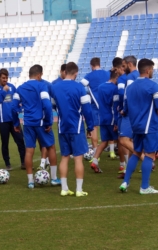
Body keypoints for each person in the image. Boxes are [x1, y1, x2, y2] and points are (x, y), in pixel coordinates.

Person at [119, 58, 158, 194]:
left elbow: (125, 109)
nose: (153, 72)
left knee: (136, 153)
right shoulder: (153, 85)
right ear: (148, 70)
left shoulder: (129, 87)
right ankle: (144, 187)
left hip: (135, 126)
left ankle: (125, 182)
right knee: (149, 155)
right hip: (149, 126)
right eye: (152, 69)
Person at [12, 65, 60, 189]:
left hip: (27, 123)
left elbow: (13, 107)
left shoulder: (20, 88)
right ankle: (54, 178)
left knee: (29, 151)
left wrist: (16, 123)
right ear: (39, 75)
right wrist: (48, 122)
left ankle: (30, 181)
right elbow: (47, 105)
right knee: (51, 148)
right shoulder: (41, 86)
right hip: (41, 123)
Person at [52, 62, 94, 197]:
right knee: (78, 159)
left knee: (64, 157)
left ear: (65, 71)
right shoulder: (80, 88)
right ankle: (79, 190)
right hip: (76, 126)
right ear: (75, 73)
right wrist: (91, 126)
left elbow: (53, 105)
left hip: (62, 126)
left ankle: (64, 188)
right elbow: (87, 109)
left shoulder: (55, 87)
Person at [0, 68, 25, 171]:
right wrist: (4, 92)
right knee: (5, 143)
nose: (5, 80)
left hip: (14, 120)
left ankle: (23, 162)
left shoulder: (12, 87)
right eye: (3, 78)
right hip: (3, 120)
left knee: (20, 141)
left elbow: (16, 101)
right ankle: (7, 163)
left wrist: (19, 109)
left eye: (6, 78)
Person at [90, 69, 120, 173]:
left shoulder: (101, 87)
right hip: (111, 118)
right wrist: (116, 122)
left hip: (102, 118)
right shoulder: (115, 89)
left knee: (104, 141)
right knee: (120, 141)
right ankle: (123, 165)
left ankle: (95, 161)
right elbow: (115, 105)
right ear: (116, 77)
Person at [80, 57, 110, 158]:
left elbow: (80, 86)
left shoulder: (89, 76)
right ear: (99, 64)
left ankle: (96, 152)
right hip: (107, 104)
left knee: (94, 127)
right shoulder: (107, 74)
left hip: (95, 104)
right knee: (110, 126)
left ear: (91, 66)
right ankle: (112, 150)